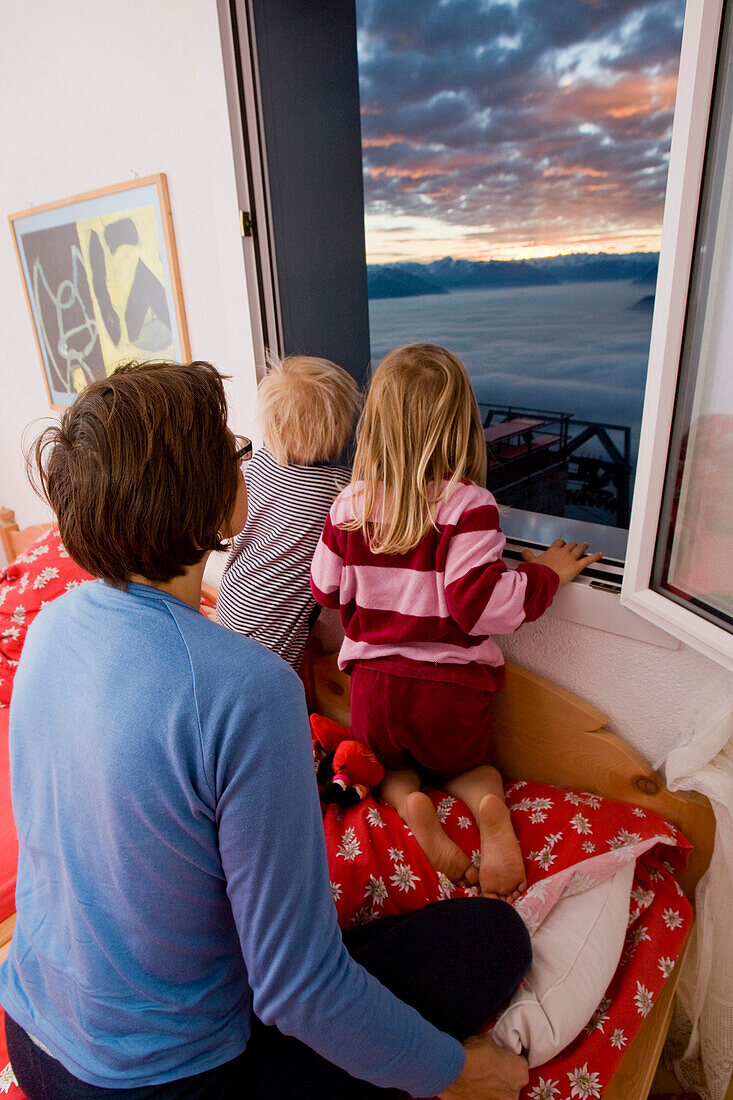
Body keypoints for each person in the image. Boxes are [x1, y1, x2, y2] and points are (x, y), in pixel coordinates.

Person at [0, 358, 531, 1100]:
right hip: (156, 1083)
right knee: (492, 940)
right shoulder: (250, 689)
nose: (246, 460)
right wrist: (457, 1072)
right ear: (215, 503)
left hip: (29, 1030)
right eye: (234, 448)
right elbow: (296, 990)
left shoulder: (50, 629)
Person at [310, 343, 603, 902]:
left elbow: (323, 590)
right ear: (459, 427)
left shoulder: (348, 506)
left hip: (375, 695)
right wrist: (546, 574)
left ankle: (411, 806)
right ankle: (490, 809)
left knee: (392, 773)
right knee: (474, 771)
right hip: (449, 697)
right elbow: (484, 607)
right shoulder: (468, 506)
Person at [216, 354, 358, 670]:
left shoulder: (257, 466)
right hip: (272, 646)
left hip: (229, 609)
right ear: (335, 428)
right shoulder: (339, 490)